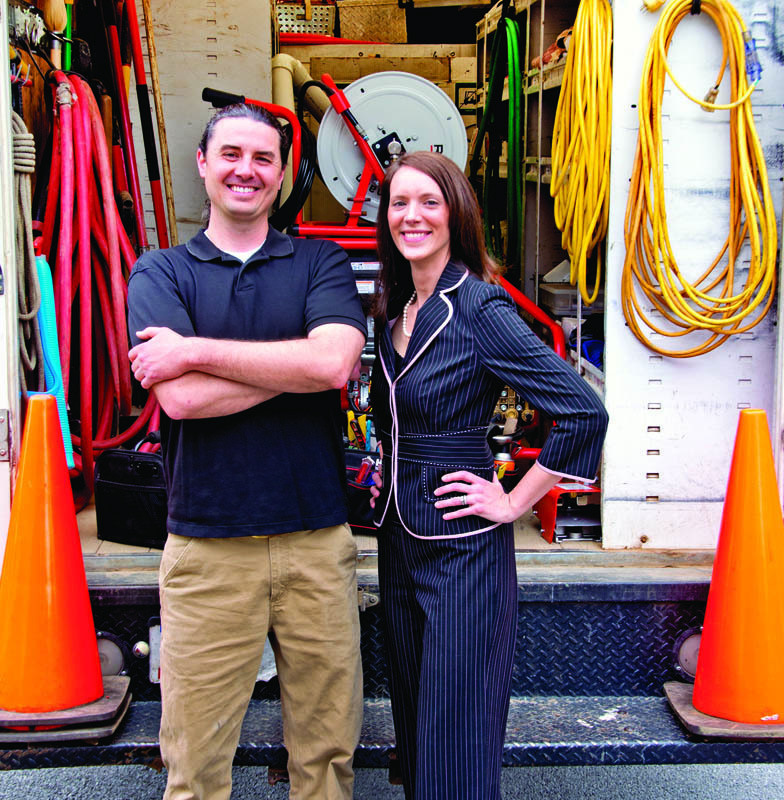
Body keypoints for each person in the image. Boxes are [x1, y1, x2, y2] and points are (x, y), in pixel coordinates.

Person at [126, 103, 367, 800]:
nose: (247, 170)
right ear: (203, 163)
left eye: (264, 159)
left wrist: (194, 351)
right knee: (195, 766)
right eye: (231, 154)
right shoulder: (161, 272)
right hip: (207, 548)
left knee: (327, 758)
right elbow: (181, 401)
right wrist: (296, 366)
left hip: (316, 541)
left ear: (282, 173)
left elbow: (333, 366)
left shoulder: (320, 261)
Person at [368, 151, 609, 800]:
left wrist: (513, 502)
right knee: (417, 729)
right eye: (399, 202)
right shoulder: (395, 305)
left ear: (457, 214)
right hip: (399, 538)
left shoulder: (479, 307)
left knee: (456, 739)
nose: (412, 215)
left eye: (429, 202)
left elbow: (583, 412)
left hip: (463, 548)